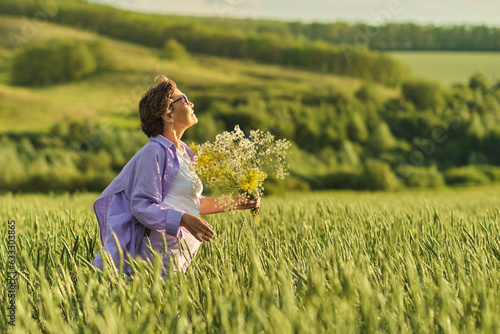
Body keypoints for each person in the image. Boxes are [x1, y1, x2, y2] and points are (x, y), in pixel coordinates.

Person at [92, 75, 259, 276]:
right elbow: (142, 206)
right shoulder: (154, 151)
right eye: (185, 99)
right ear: (168, 114)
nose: (191, 103)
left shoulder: (182, 153)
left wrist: (239, 202)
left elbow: (191, 203)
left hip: (177, 251)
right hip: (157, 252)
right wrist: (183, 219)